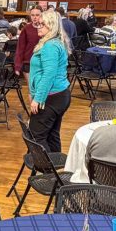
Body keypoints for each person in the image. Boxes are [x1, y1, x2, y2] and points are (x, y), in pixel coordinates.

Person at [28, 10, 71, 153]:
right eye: (38, 24)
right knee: (52, 135)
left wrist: (37, 98)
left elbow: (49, 75)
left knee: (36, 137)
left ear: (51, 27)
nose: (38, 26)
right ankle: (56, 171)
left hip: (52, 97)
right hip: (58, 95)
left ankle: (48, 172)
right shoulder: (53, 42)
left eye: (42, 24)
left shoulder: (50, 46)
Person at [14, 7, 43, 77]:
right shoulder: (26, 28)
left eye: (37, 15)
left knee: (40, 87)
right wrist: (17, 65)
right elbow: (20, 48)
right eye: (32, 15)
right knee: (31, 87)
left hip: (42, 62)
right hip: (28, 62)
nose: (35, 17)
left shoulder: (46, 28)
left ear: (41, 15)